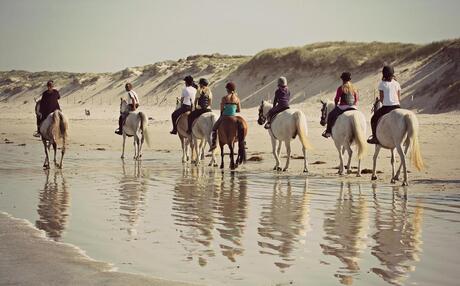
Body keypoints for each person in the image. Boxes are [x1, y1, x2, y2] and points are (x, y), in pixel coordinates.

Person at [367, 66, 401, 144]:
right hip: (397, 106)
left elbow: (382, 99)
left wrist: (385, 101)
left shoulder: (382, 84)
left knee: (373, 119)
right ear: (392, 73)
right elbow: (399, 98)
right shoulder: (397, 83)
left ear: (384, 74)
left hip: (387, 107)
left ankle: (375, 138)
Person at [322, 72, 359, 138]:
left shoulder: (341, 88)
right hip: (353, 107)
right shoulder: (354, 88)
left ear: (342, 79)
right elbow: (356, 99)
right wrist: (354, 105)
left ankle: (328, 132)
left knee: (330, 115)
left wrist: (336, 106)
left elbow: (336, 99)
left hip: (343, 107)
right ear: (349, 80)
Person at [209, 82, 241, 151]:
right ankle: (243, 141)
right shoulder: (237, 99)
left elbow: (221, 109)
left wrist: (224, 111)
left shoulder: (224, 98)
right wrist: (232, 109)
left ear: (227, 89)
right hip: (233, 115)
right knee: (240, 128)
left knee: (214, 128)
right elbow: (239, 110)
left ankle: (214, 143)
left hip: (225, 116)